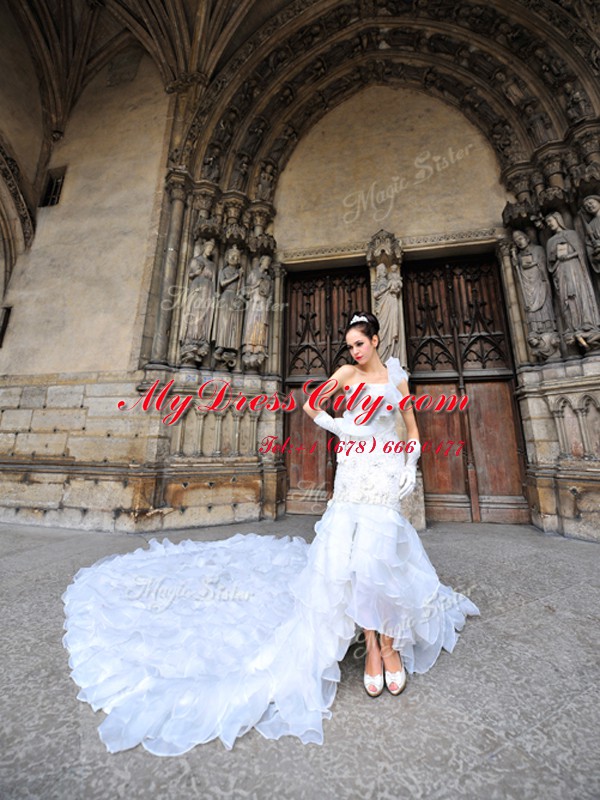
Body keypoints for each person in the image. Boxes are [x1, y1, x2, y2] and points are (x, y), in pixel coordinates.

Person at [61, 311, 480, 756]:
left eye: (360, 344)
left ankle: (388, 646)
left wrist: (410, 467)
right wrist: (343, 426)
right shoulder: (343, 373)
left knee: (381, 559)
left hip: (382, 473)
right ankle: (372, 646)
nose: (354, 352)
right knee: (350, 559)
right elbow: (310, 405)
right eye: (349, 346)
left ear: (375, 340)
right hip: (354, 469)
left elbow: (412, 431)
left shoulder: (396, 379)